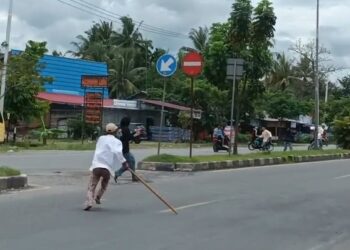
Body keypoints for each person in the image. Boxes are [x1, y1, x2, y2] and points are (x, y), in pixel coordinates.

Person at [84, 123, 128, 211]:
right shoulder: (117, 142)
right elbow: (118, 153)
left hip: (96, 166)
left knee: (91, 186)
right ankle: (98, 197)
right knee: (104, 184)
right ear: (115, 131)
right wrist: (124, 163)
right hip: (107, 168)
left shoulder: (101, 138)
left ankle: (89, 201)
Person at [114, 117, 140, 183]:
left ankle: (133, 176)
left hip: (119, 148)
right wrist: (136, 134)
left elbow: (126, 136)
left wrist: (134, 133)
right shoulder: (126, 129)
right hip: (124, 149)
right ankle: (118, 173)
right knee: (130, 162)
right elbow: (129, 137)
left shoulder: (120, 129)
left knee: (130, 162)